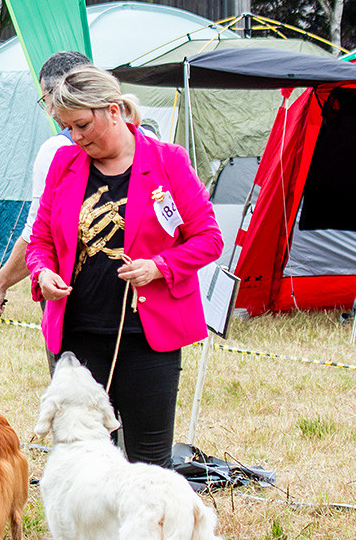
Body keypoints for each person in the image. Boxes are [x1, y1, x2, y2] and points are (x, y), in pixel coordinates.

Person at [25, 65, 222, 469]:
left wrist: (160, 265)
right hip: (78, 336)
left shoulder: (168, 162)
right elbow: (41, 240)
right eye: (68, 128)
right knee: (87, 460)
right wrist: (42, 273)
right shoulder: (64, 164)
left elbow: (208, 239)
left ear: (113, 111)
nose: (77, 138)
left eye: (82, 125)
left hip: (149, 339)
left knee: (150, 463)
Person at [0, 51, 92, 320]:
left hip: (70, 293)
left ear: (58, 92)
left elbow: (37, 234)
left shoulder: (57, 150)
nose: (49, 110)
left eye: (45, 99)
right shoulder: (147, 139)